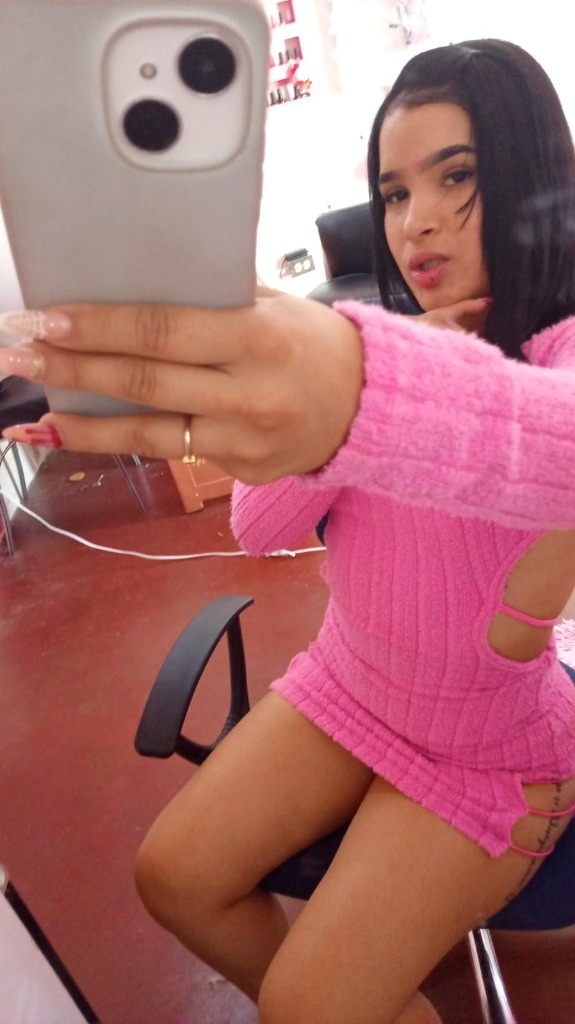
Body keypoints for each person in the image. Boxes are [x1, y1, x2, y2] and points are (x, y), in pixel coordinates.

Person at [2, 37, 575, 1024]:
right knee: (171, 875)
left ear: (528, 177)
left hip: (480, 747)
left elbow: (546, 445)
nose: (415, 220)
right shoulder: (387, 346)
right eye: (392, 192)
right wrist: (348, 408)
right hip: (349, 682)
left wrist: (370, 390)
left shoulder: (552, 356)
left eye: (455, 177)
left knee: (308, 1006)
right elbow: (259, 523)